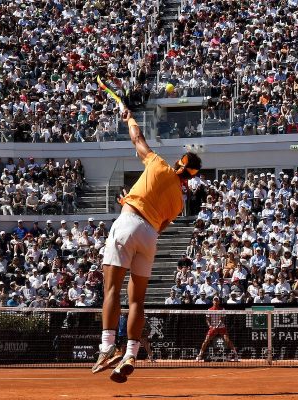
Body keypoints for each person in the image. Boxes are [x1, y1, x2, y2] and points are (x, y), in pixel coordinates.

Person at [92, 107, 202, 383]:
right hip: (149, 235)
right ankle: (130, 352)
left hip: (128, 222)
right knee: (137, 300)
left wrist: (128, 117)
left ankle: (106, 348)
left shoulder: (158, 164)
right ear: (190, 176)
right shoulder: (179, 201)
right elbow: (161, 226)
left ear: (179, 163)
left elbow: (137, 138)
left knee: (111, 289)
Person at [195, 296, 239, 362]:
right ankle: (200, 355)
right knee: (206, 340)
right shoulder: (209, 310)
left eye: (217, 300)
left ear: (219, 301)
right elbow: (207, 320)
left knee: (227, 340)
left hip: (221, 328)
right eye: (214, 300)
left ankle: (235, 355)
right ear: (213, 301)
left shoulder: (222, 309)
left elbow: (222, 319)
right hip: (212, 328)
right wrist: (210, 326)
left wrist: (218, 325)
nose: (215, 302)